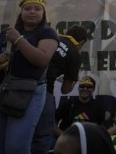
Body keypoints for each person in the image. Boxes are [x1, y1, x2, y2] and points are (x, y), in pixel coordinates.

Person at [0, 0, 59, 154]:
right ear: (20, 13)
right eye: (27, 8)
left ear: (43, 14)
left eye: (37, 9)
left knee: (16, 148)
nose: (32, 12)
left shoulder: (47, 33)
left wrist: (18, 39)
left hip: (27, 94)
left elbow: (41, 60)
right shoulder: (5, 34)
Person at [32, 24, 89, 154]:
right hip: (44, 90)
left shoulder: (52, 38)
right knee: (43, 134)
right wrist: (74, 80)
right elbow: (65, 90)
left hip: (24, 85)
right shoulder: (75, 54)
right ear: (81, 42)